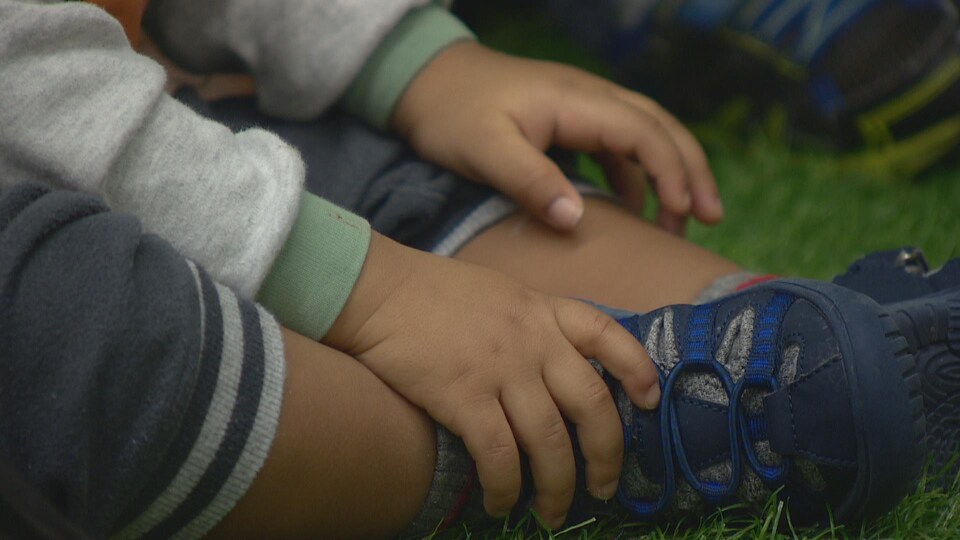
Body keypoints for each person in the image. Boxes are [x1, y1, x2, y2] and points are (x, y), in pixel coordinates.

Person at [0, 1, 957, 539]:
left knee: (307, 142)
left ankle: (785, 327)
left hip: (135, 105)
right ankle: (608, 431)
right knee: (53, 313)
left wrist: (417, 68)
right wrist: (381, 291)